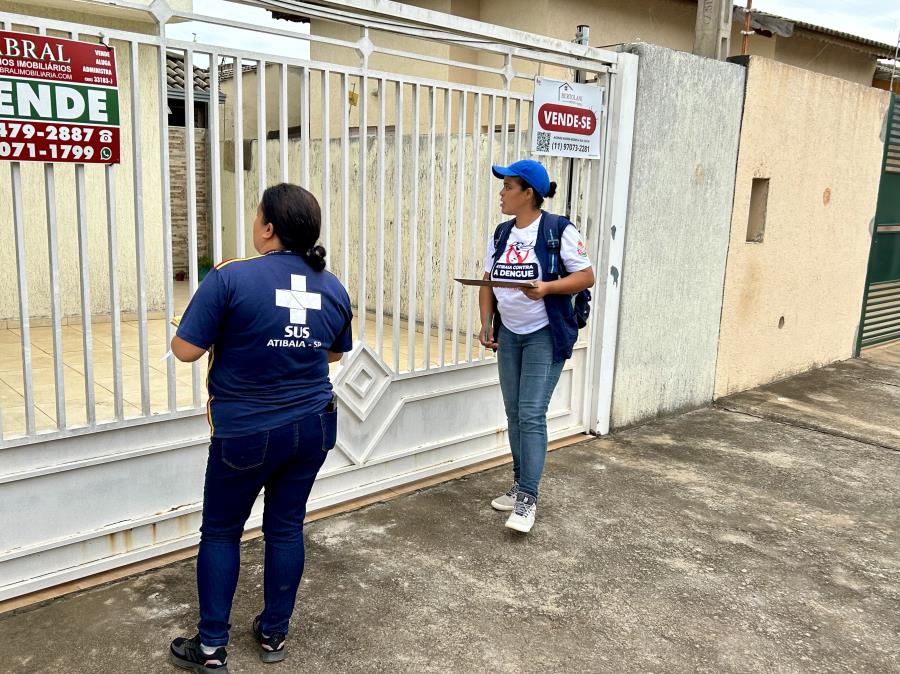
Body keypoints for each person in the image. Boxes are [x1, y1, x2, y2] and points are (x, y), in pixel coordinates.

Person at [168, 183, 353, 673]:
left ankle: (210, 649)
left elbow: (185, 349)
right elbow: (331, 353)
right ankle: (273, 634)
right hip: (314, 426)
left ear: (268, 228)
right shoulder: (332, 286)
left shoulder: (230, 278)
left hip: (247, 433)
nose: (254, 223)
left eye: (256, 216)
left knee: (223, 533)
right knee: (286, 527)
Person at [479, 159, 595, 534]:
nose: (501, 193)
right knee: (513, 412)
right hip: (510, 333)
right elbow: (487, 281)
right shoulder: (501, 234)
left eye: (508, 186)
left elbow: (585, 276)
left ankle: (528, 497)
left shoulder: (557, 230)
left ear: (528, 193)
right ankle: (518, 484)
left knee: (530, 412)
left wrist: (546, 288)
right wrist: (486, 323)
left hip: (545, 333)